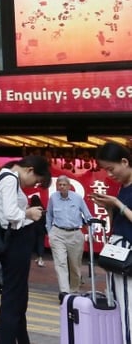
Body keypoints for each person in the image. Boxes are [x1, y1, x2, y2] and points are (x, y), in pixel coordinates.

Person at [0, 155, 50, 344]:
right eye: (36, 181)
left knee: (18, 298)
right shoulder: (10, 179)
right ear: (30, 170)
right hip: (15, 243)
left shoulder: (4, 176)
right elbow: (10, 214)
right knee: (13, 299)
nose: (33, 185)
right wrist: (30, 213)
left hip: (13, 243)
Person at [90, 141, 132, 343]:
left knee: (128, 308)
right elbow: (118, 222)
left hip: (128, 257)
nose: (109, 174)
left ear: (124, 161)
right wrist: (109, 208)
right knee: (118, 304)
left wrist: (116, 203)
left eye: (111, 169)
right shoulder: (123, 187)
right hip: (119, 254)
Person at [46, 174, 91, 303]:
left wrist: (91, 229)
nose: (61, 187)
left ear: (69, 186)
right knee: (60, 263)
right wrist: (50, 232)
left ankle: (74, 291)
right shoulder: (53, 198)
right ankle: (64, 293)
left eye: (64, 184)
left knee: (75, 266)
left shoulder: (77, 198)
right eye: (59, 184)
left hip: (75, 234)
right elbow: (49, 215)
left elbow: (87, 215)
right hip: (58, 233)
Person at [28, 193, 46, 267]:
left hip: (32, 229)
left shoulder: (30, 209)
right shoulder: (42, 209)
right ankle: (40, 258)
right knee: (40, 243)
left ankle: (34, 258)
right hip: (41, 229)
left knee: (32, 244)